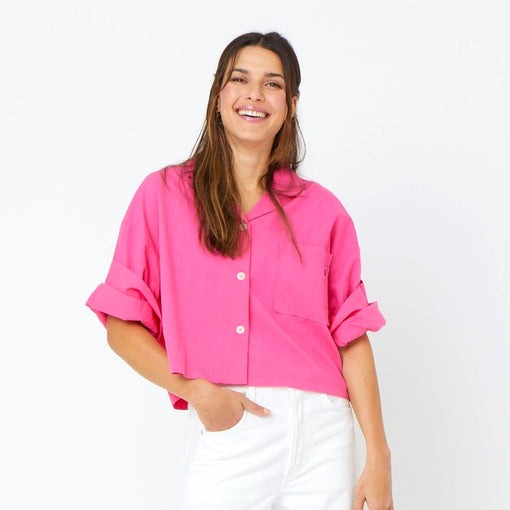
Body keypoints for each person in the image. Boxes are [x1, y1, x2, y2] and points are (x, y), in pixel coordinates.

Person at [86, 32, 393, 510]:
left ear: (291, 105)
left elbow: (350, 336)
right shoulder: (164, 196)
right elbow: (122, 325)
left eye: (272, 84)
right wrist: (196, 392)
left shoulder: (324, 211)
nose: (255, 94)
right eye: (240, 79)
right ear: (218, 95)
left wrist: (379, 454)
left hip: (325, 434)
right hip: (233, 425)